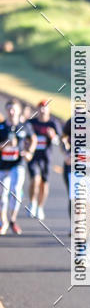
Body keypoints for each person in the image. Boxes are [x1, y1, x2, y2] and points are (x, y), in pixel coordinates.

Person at [0, 99, 36, 235]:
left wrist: (29, 152)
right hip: (3, 165)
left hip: (18, 164)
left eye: (13, 109)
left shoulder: (25, 126)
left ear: (19, 111)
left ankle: (13, 220)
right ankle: (3, 222)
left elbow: (33, 139)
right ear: (6, 110)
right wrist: (5, 145)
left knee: (15, 190)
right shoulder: (1, 127)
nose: (11, 112)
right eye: (9, 109)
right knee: (2, 195)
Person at [28, 100, 59, 221]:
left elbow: (59, 140)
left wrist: (53, 136)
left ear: (49, 110)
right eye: (40, 107)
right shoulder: (32, 123)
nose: (42, 110)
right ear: (37, 109)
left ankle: (40, 207)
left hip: (46, 158)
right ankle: (32, 203)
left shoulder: (53, 123)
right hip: (33, 157)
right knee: (35, 179)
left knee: (44, 183)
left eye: (45, 107)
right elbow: (24, 136)